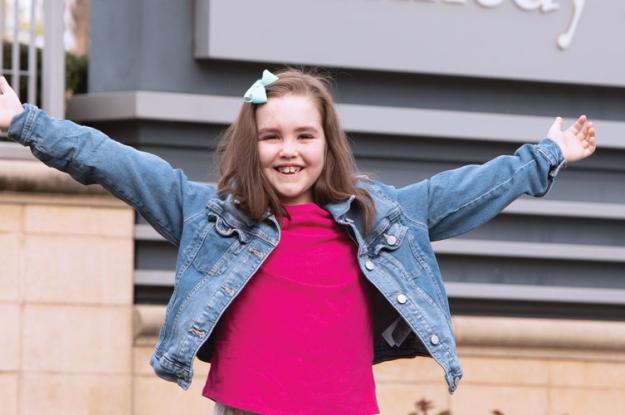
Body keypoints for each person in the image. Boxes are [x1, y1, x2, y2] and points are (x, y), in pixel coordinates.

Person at [0, 68, 596, 415]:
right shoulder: (211, 216)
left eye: (304, 135)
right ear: (250, 146)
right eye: (272, 136)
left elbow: (464, 191)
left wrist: (547, 155)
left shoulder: (376, 216)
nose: (288, 150)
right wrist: (25, 122)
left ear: (326, 143)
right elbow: (118, 163)